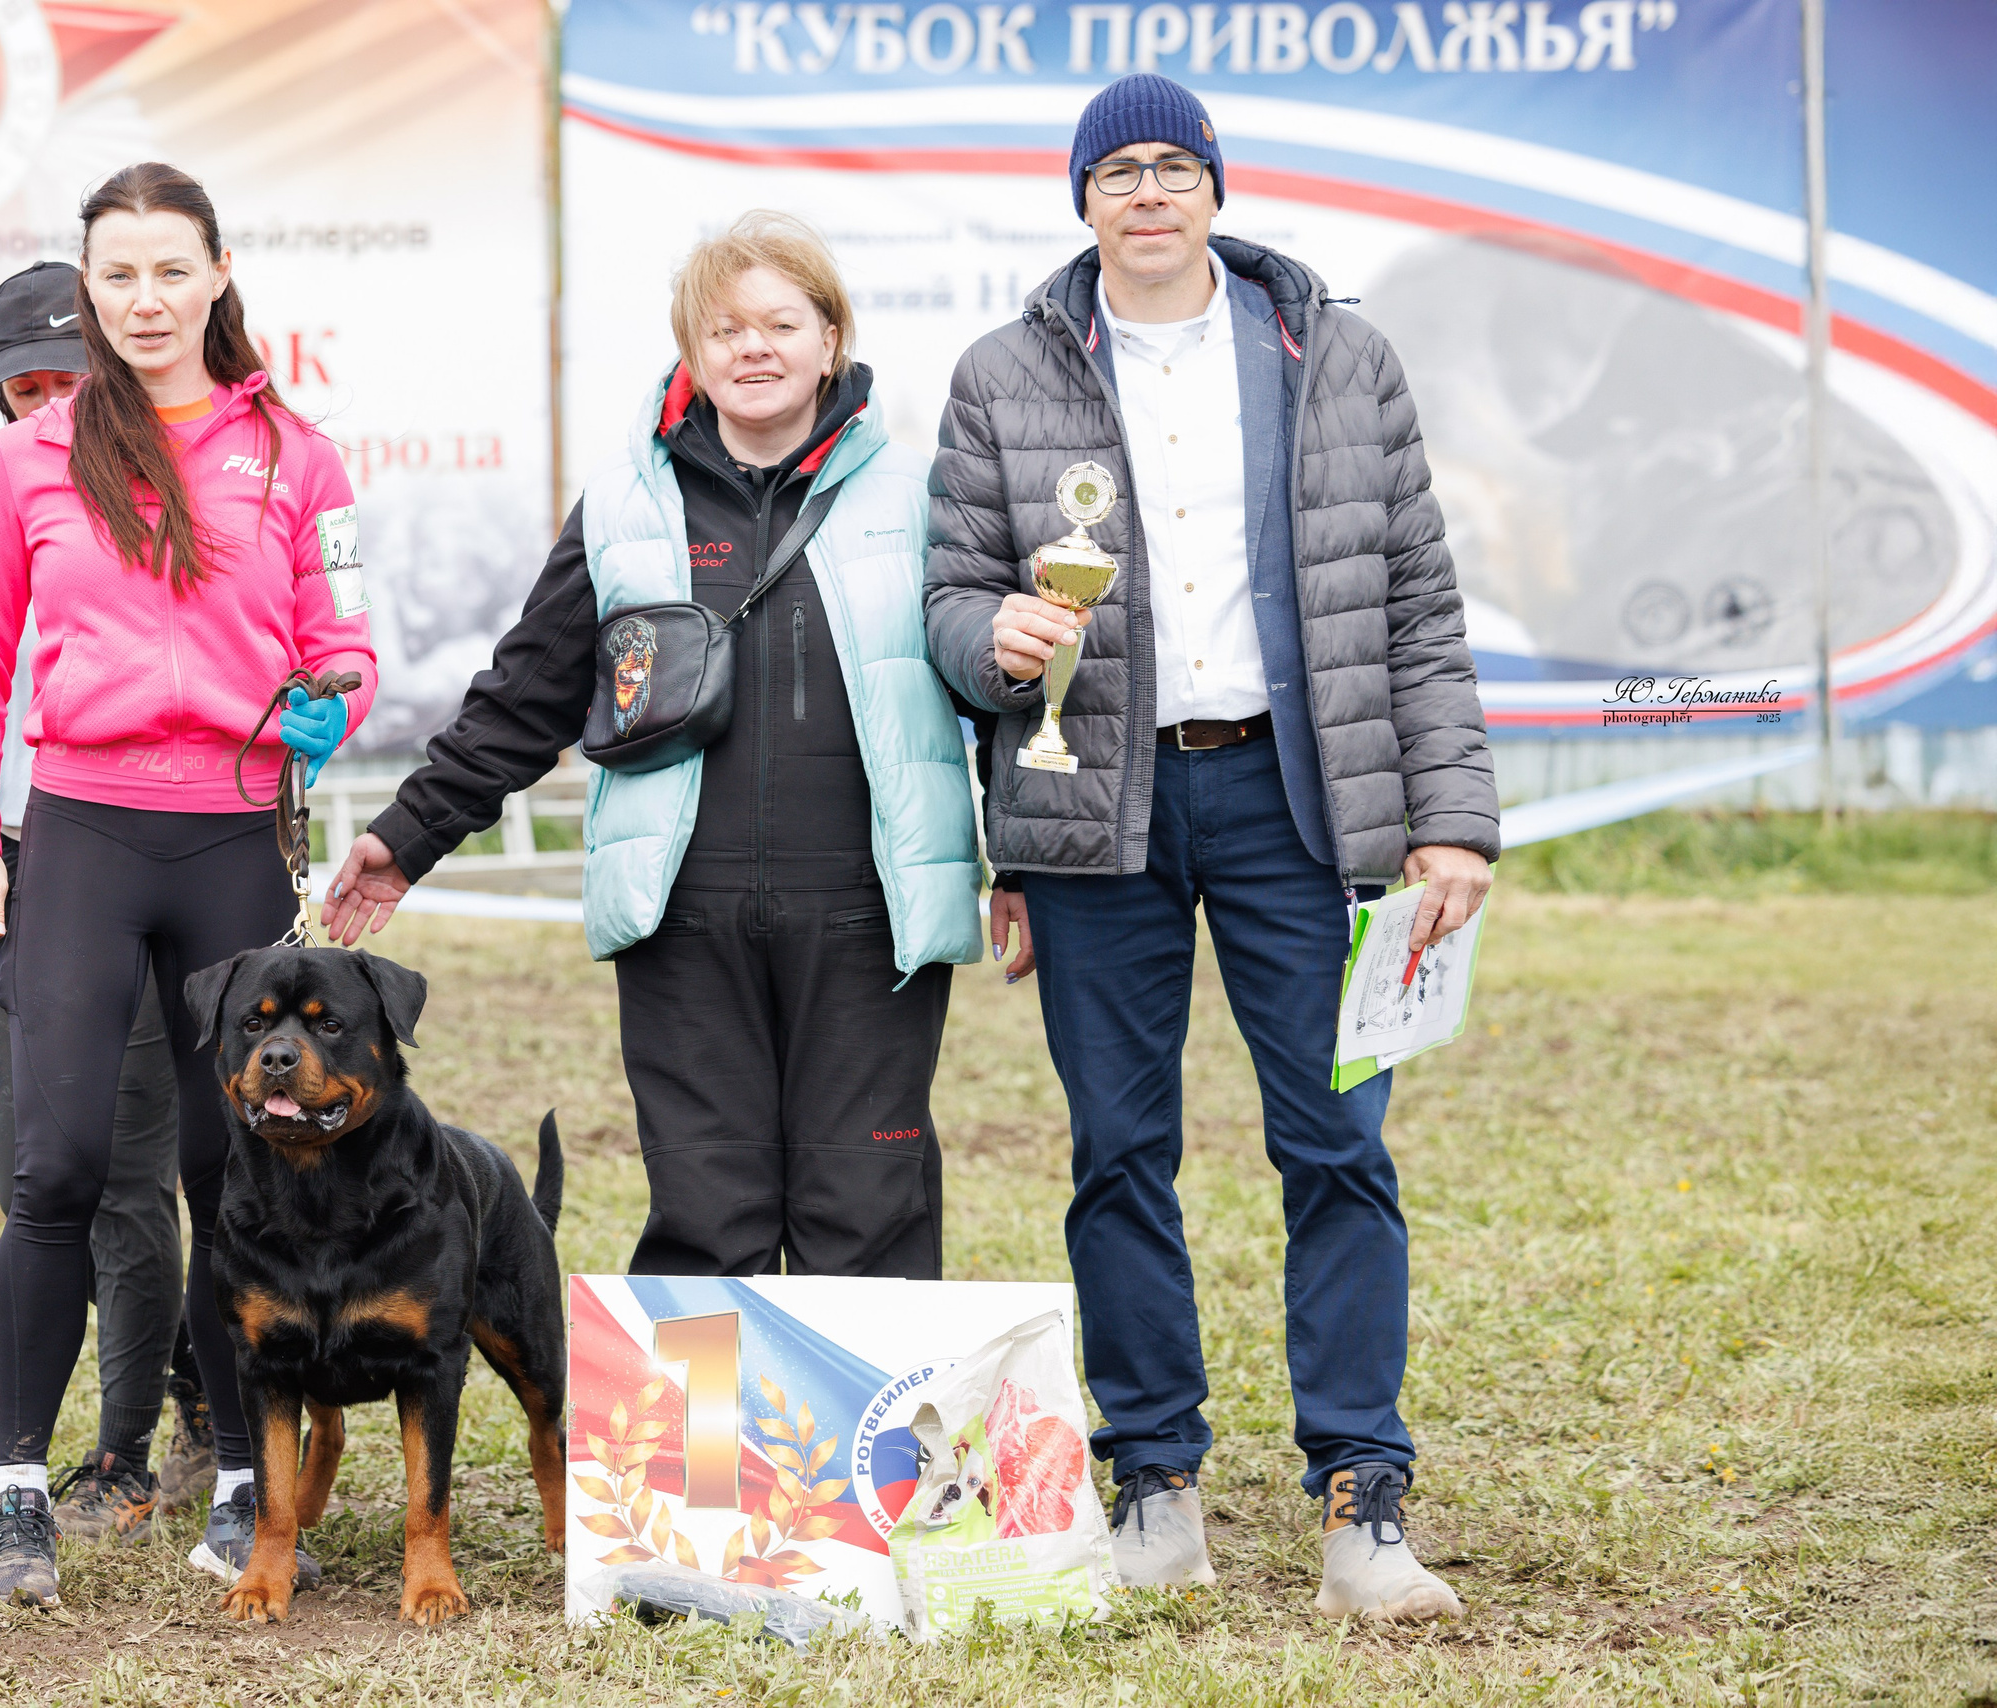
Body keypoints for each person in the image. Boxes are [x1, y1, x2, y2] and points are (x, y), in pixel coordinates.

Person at [923, 74, 1497, 1622]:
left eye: (1178, 164)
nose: (1152, 192)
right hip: (1092, 812)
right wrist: (1000, 636)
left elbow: (1421, 608)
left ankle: (1363, 1504)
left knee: (1338, 1148)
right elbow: (950, 599)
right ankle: (1155, 1485)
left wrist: (1450, 818)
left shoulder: (1338, 354)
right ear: (1085, 201)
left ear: (1219, 188)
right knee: (1119, 1152)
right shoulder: (1002, 371)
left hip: (1300, 808)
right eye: (1120, 171)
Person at [322, 211, 981, 1279]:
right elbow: (524, 694)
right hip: (680, 912)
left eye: (781, 322)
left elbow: (982, 679)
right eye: (724, 328)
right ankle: (709, 1452)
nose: (752, 348)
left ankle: (863, 1455)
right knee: (705, 1210)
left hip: (867, 913)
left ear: (831, 337)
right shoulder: (626, 504)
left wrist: (1032, 868)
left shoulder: (922, 495)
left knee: (866, 1208)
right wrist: (409, 834)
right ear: (692, 347)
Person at [0, 163, 376, 1608]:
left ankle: (243, 1472)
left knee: (237, 1171)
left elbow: (346, 635)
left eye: (170, 271)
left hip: (234, 843)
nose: (143, 299)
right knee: (54, 1166)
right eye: (116, 275)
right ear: (90, 288)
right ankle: (20, 1492)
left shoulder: (296, 453)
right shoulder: (30, 458)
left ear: (218, 274)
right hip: (82, 837)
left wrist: (336, 696)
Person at [0, 261, 216, 1547]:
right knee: (35, 1173)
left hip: (149, 862)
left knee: (133, 1178)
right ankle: (190, 1375)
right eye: (19, 388)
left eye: (62, 377)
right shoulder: (15, 490)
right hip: (24, 879)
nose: (43, 405)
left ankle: (123, 1451)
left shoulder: (198, 493)